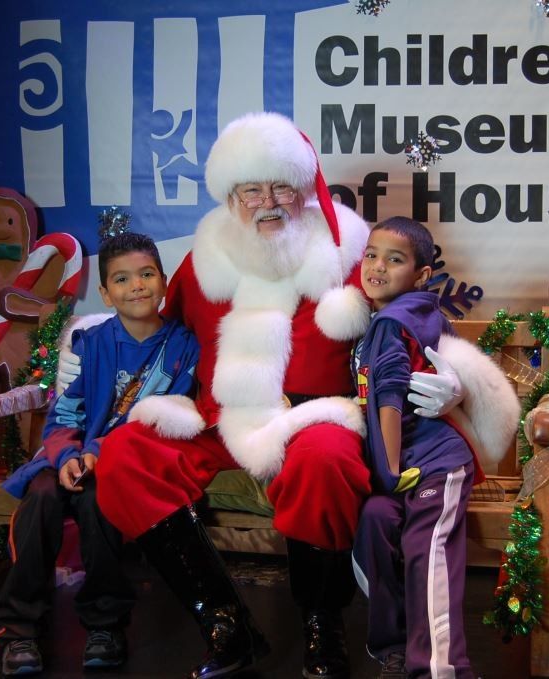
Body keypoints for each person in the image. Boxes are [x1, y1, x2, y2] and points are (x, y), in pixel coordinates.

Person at [87, 112, 520, 679]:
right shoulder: (204, 260)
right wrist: (88, 379)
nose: (267, 202)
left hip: (318, 416)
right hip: (222, 420)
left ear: (304, 188)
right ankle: (225, 626)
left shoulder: (350, 252)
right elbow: (159, 337)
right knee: (125, 454)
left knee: (327, 460)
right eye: (250, 190)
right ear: (230, 196)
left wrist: (457, 381)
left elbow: (418, 325)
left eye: (281, 187)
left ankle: (323, 623)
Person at [0, 232, 200, 676]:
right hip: (68, 457)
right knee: (43, 497)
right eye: (122, 279)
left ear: (164, 282)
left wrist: (99, 454)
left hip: (126, 463)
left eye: (147, 274)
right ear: (106, 293)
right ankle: (19, 629)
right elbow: (65, 410)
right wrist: (68, 454)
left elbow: (164, 417)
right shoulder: (91, 342)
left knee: (98, 501)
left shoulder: (184, 348)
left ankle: (105, 625)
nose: (138, 286)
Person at [351, 217, 479, 679]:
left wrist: (385, 473)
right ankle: (395, 648)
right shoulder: (417, 313)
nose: (378, 266)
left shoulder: (391, 320)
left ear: (422, 275)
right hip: (404, 464)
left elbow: (388, 397)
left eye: (395, 259)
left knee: (427, 550)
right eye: (371, 255)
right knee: (374, 521)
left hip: (432, 465)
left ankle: (441, 669)